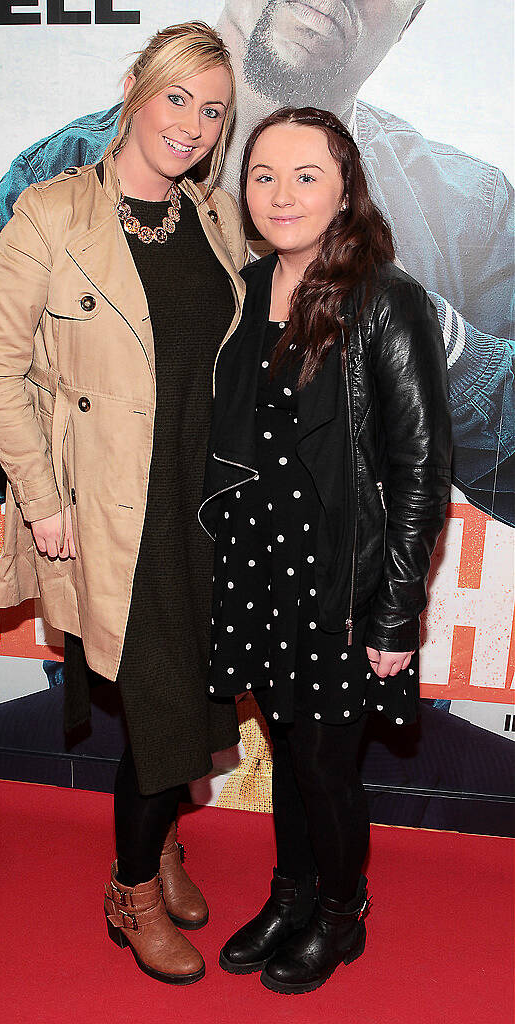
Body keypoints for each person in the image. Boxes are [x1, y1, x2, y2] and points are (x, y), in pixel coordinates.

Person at [0, 0, 512, 524]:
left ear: (410, 16)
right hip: (142, 576)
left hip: (320, 595)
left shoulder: (463, 210)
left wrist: (440, 351)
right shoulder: (63, 176)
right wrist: (82, 366)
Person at [0, 21, 248, 986]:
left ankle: (158, 841)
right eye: (177, 97)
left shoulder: (212, 219)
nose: (193, 125)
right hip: (108, 514)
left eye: (211, 110)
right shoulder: (49, 214)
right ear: (134, 85)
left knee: (194, 700)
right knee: (165, 707)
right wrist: (41, 499)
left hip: (203, 508)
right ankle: (130, 889)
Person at [200, 107, 452, 994]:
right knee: (285, 750)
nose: (281, 192)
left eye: (307, 174)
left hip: (337, 585)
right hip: (255, 574)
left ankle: (340, 915)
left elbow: (420, 469)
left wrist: (394, 611)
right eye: (263, 173)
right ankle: (291, 893)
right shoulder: (241, 290)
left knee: (324, 765)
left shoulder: (387, 301)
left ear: (345, 188)